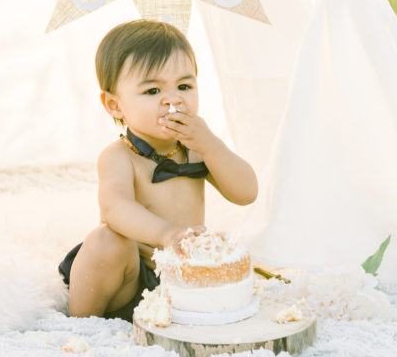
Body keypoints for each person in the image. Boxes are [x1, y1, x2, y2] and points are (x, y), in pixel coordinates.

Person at [59, 19, 258, 319]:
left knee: (229, 266)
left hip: (180, 279)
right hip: (129, 276)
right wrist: (167, 233)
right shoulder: (118, 156)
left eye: (184, 86)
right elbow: (116, 209)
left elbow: (247, 192)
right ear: (115, 105)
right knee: (105, 240)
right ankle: (84, 322)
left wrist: (212, 146)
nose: (173, 99)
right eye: (152, 91)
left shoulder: (198, 149)